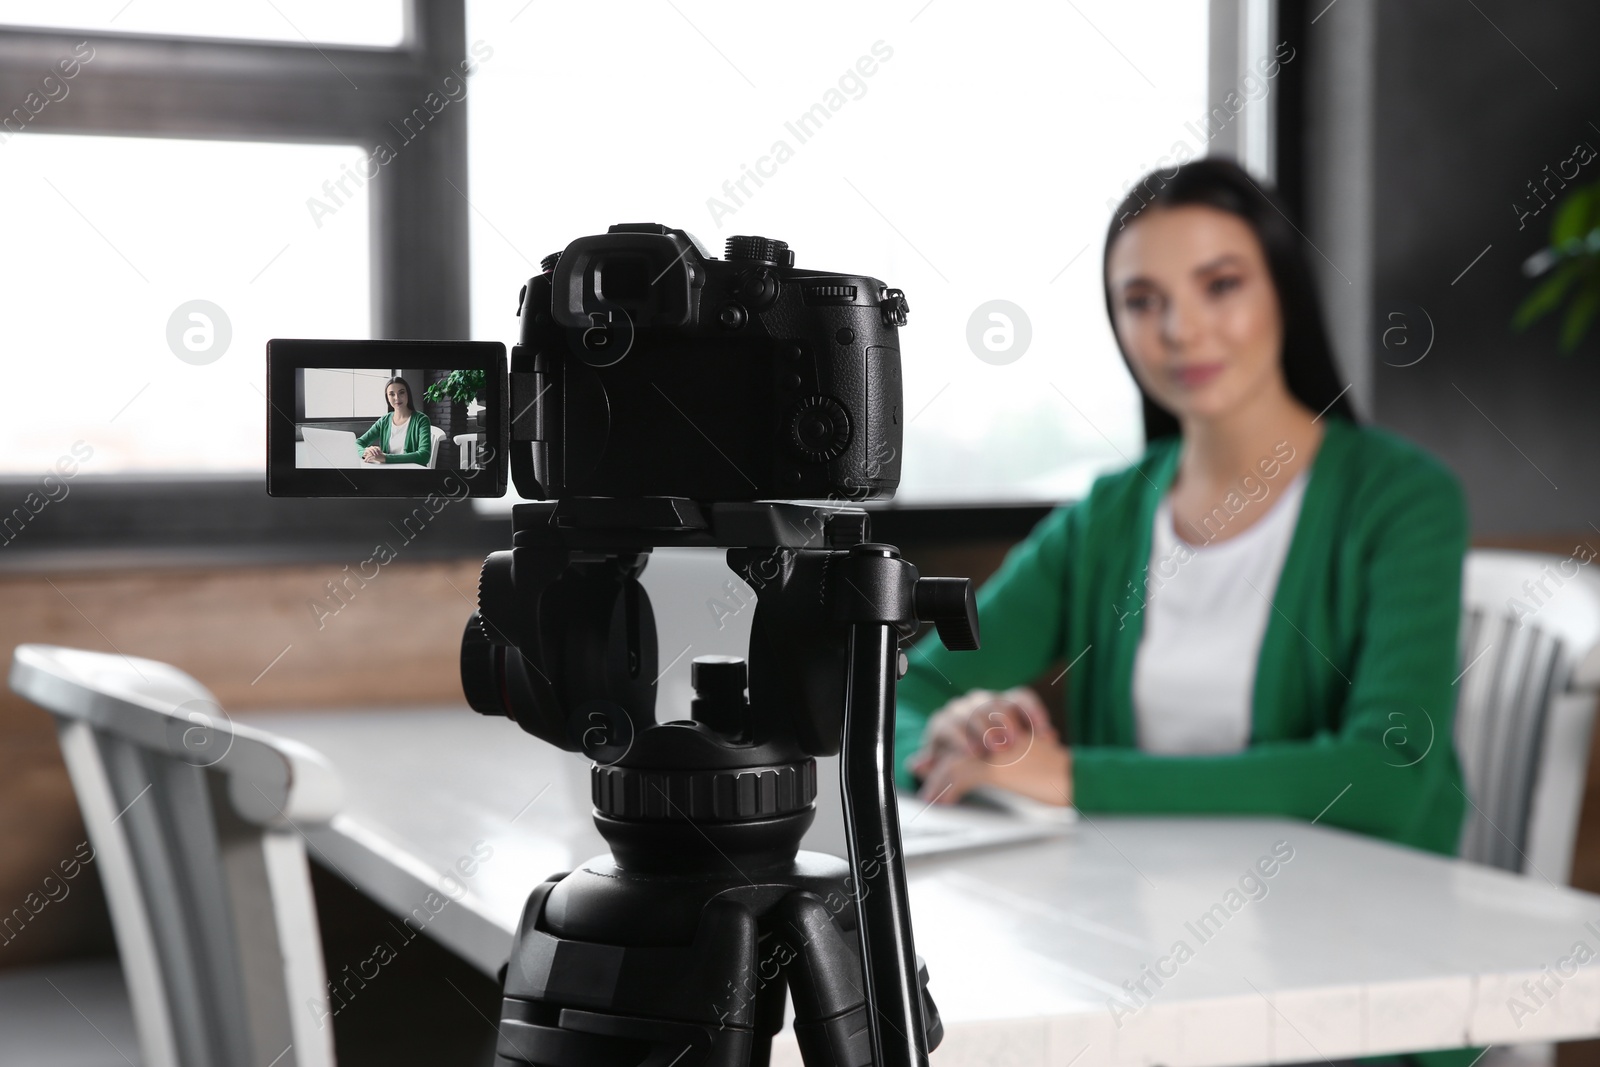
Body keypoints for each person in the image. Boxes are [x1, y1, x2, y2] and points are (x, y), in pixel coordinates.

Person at [897, 157, 1471, 859]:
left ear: (1284, 292)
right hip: (1133, 911)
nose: (1180, 329)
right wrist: (947, 742)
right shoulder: (1105, 518)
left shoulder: (1401, 498)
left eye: (1221, 285)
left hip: (1360, 922)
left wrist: (1068, 777)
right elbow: (910, 691)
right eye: (1142, 299)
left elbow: (1388, 774)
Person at [355, 376, 433, 466]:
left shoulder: (421, 420)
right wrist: (366, 452)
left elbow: (424, 456)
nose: (397, 398)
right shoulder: (384, 421)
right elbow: (358, 443)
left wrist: (385, 458)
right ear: (387, 398)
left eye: (401, 392)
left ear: (408, 394)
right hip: (388, 471)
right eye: (392, 394)